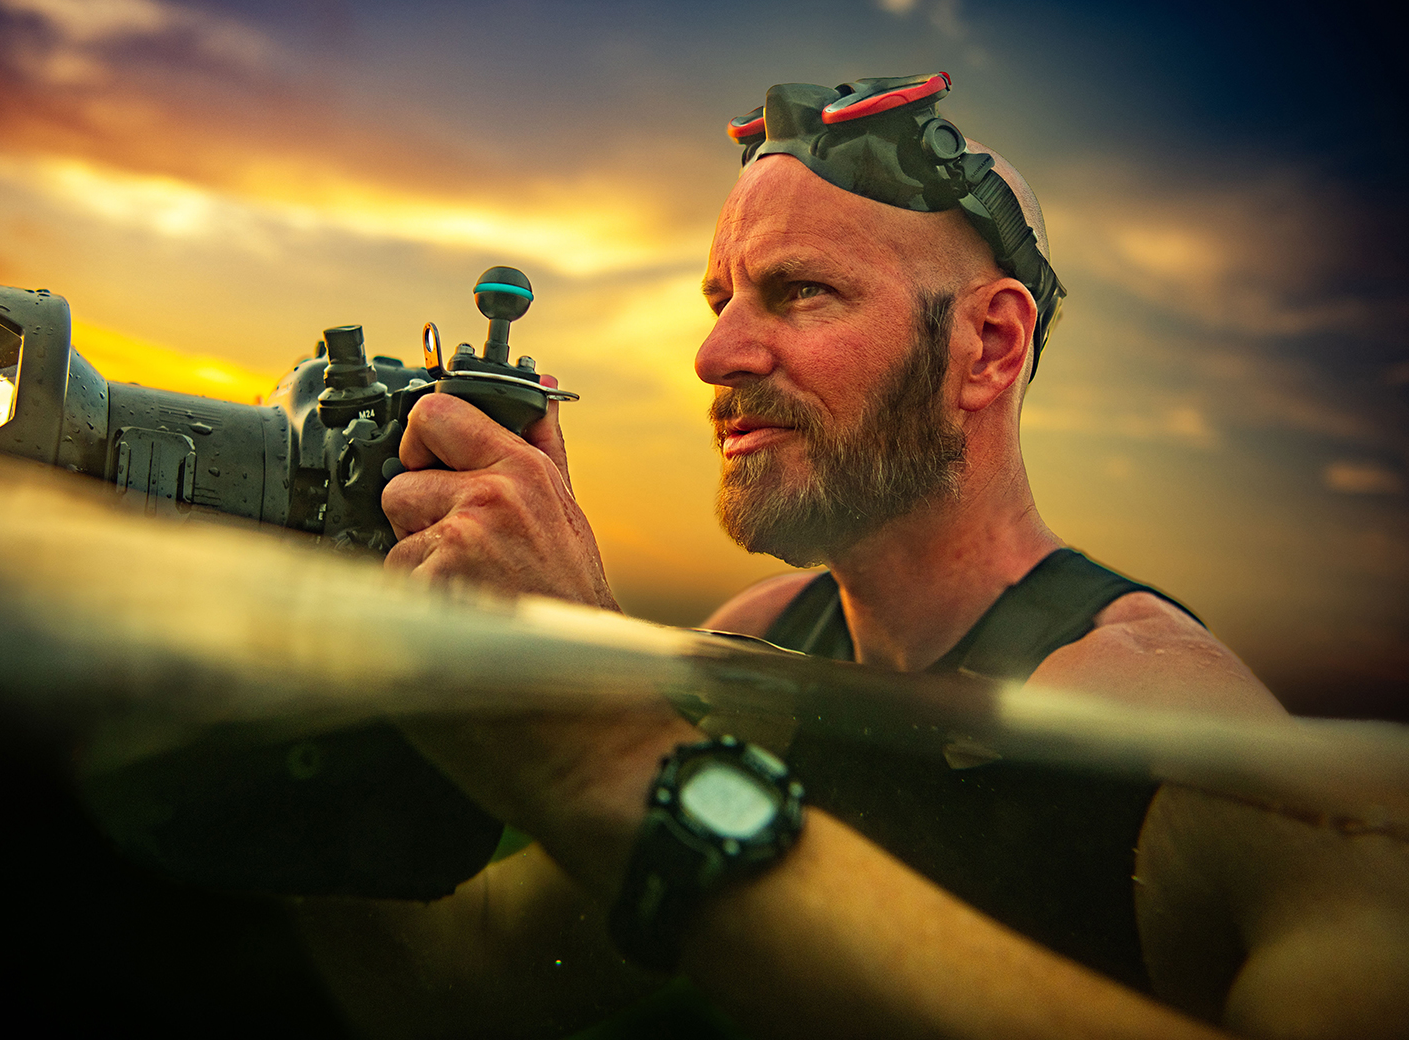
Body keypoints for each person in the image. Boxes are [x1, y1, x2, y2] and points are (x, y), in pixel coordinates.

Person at [297, 74, 1408, 1039]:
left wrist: (603, 743)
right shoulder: (765, 640)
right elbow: (459, 982)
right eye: (721, 297)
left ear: (989, 343)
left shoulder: (1177, 728)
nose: (714, 353)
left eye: (799, 291)